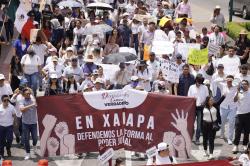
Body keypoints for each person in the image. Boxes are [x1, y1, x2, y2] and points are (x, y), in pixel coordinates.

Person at [188, 74, 209, 144]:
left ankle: (197, 138)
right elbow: (189, 98)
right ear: (196, 80)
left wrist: (204, 103)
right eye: (198, 80)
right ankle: (190, 137)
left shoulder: (205, 87)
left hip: (201, 108)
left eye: (200, 81)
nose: (199, 82)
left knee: (199, 125)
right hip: (193, 108)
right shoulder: (191, 87)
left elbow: (207, 97)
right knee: (191, 124)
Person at [20, 88, 38, 160]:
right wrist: (31, 105)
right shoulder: (22, 101)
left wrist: (34, 104)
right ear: (23, 95)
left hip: (33, 123)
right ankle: (28, 153)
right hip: (25, 123)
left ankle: (34, 146)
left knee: (35, 138)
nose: (28, 94)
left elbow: (37, 105)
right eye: (27, 94)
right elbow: (22, 109)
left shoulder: (33, 99)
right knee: (26, 139)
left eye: (29, 93)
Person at [232, 80, 250, 153]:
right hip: (239, 114)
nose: (244, 85)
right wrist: (238, 92)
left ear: (248, 85)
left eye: (245, 84)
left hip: (248, 114)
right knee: (237, 131)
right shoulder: (239, 92)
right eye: (243, 84)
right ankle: (236, 146)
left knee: (247, 131)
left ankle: (245, 145)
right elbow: (234, 100)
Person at [220, 75, 238, 145]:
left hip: (233, 107)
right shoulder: (223, 85)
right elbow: (215, 81)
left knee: (231, 122)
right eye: (228, 81)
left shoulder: (236, 87)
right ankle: (222, 132)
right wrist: (224, 79)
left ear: (232, 81)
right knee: (223, 122)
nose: (229, 82)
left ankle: (230, 138)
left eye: (230, 81)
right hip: (223, 106)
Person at [0, 95, 16, 159]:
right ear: (2, 101)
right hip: (1, 126)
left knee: (10, 139)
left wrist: (15, 122)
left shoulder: (11, 107)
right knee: (1, 141)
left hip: (9, 126)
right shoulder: (0, 107)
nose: (6, 101)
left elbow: (14, 115)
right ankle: (1, 154)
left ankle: (8, 148)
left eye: (7, 100)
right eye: (5, 100)